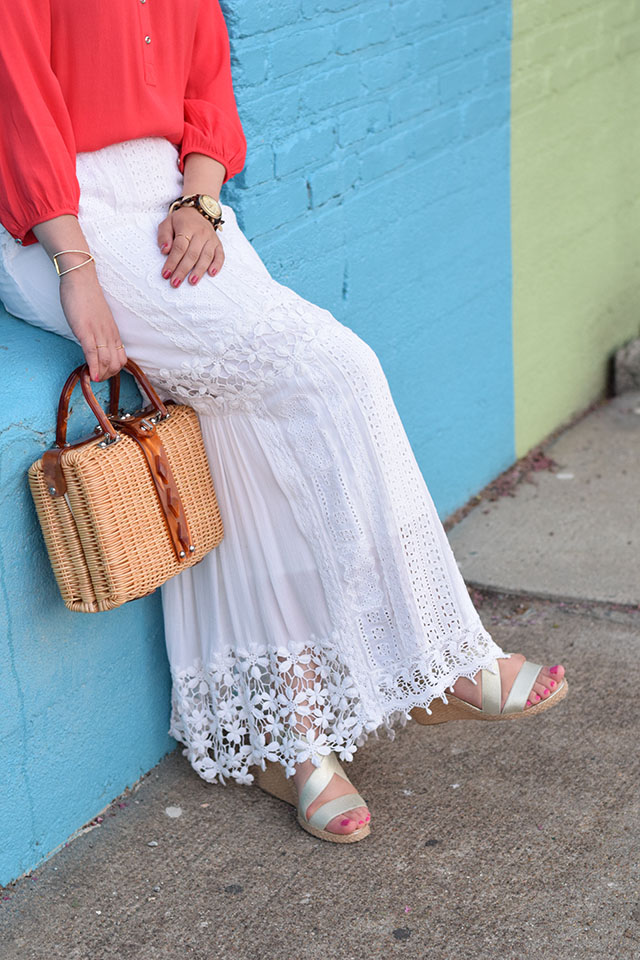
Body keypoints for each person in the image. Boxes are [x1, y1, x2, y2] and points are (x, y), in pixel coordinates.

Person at [0, 1, 567, 844]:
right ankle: (437, 660)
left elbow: (205, 84)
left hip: (170, 204)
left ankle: (284, 737)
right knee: (335, 370)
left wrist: (200, 198)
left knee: (243, 433)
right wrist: (75, 269)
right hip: (60, 223)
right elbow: (16, 97)